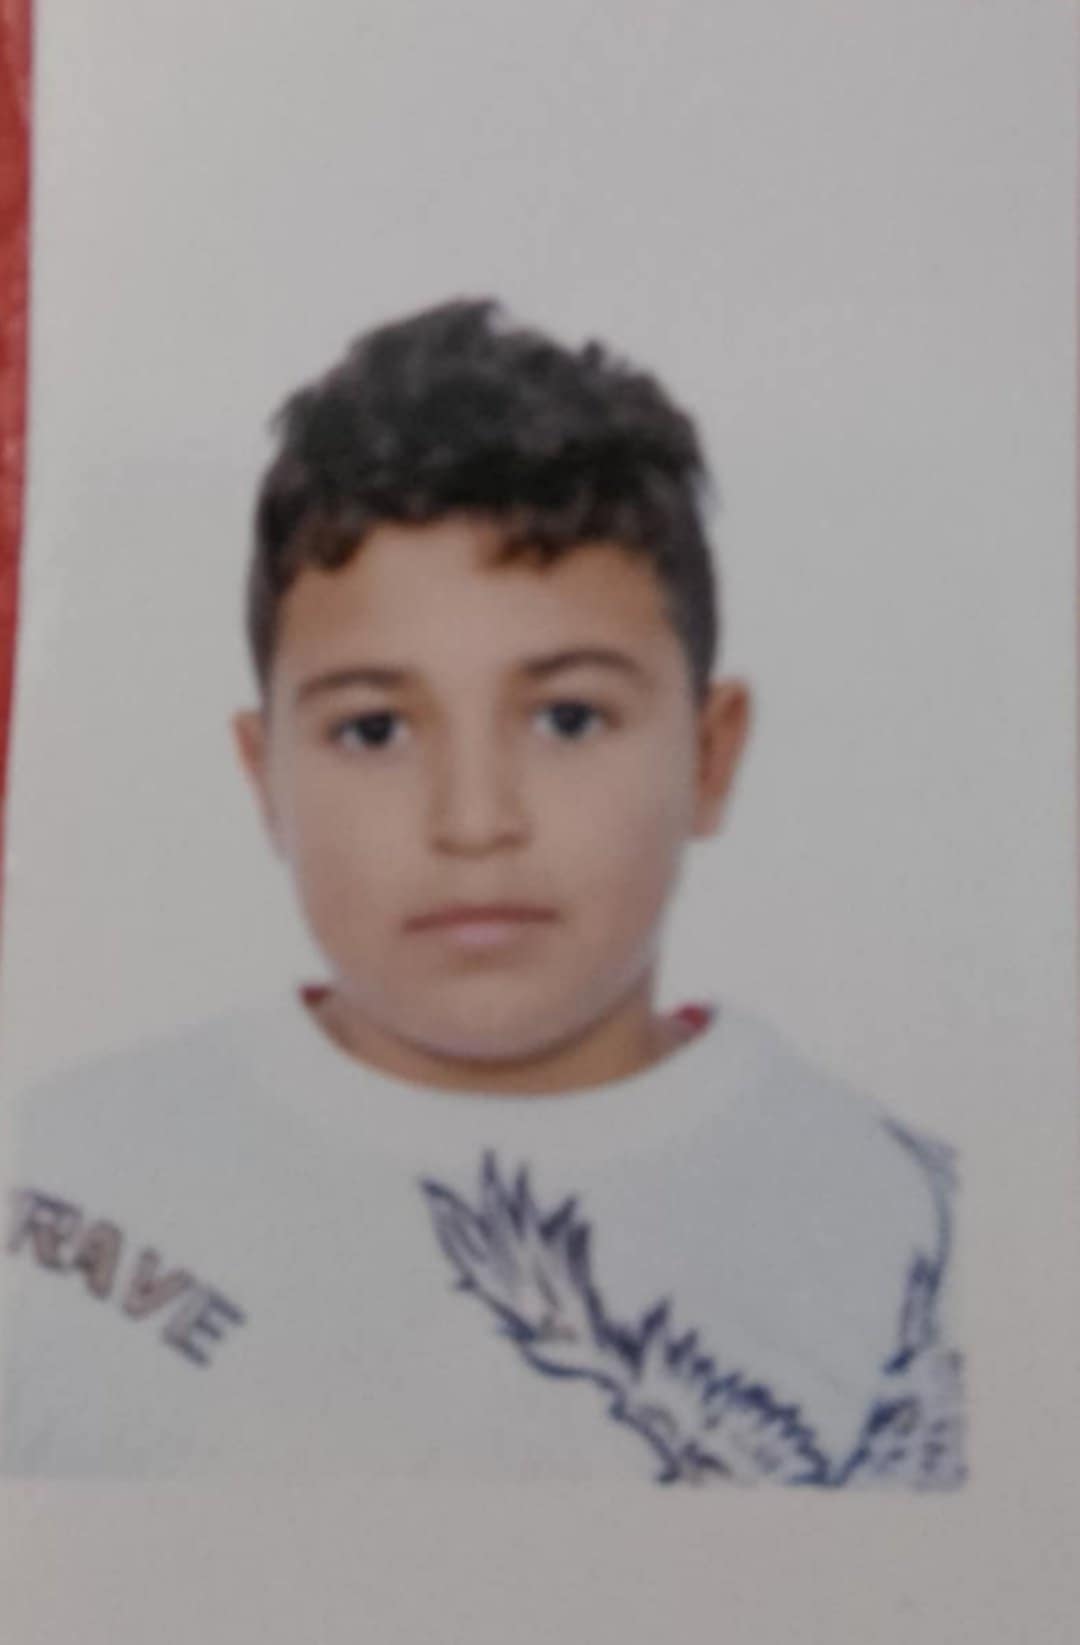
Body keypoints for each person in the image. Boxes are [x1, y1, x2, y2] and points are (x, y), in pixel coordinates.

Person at [0, 300, 963, 1486]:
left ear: (711, 756)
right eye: (374, 729)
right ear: (265, 778)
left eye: (569, 719)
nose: (473, 820)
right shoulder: (61, 1177)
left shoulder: (907, 1225)